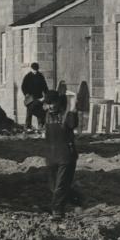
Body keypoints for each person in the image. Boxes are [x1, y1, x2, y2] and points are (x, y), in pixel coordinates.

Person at [43, 90, 80, 219]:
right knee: (54, 186)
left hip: (66, 156)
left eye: (53, 103)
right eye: (48, 104)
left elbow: (73, 123)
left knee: (60, 186)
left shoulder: (66, 115)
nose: (51, 106)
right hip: (51, 156)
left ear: (59, 103)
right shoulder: (47, 115)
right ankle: (77, 200)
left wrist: (74, 107)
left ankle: (57, 211)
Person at [21, 62, 49, 132]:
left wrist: (46, 94)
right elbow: (23, 86)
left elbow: (44, 86)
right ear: (31, 69)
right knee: (29, 111)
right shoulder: (27, 76)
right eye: (34, 69)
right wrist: (26, 94)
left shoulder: (40, 76)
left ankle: (40, 125)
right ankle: (28, 126)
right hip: (30, 97)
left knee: (40, 111)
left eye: (36, 69)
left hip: (39, 96)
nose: (35, 71)